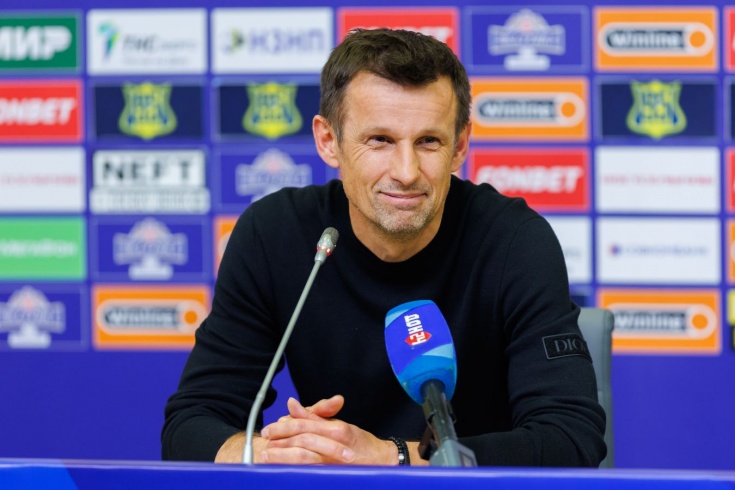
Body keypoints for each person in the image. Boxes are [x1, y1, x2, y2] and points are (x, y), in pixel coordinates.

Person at [162, 28, 606, 467]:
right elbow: (190, 425)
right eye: (380, 140)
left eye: (428, 141)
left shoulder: (514, 241)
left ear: (459, 147)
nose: (407, 172)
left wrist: (391, 457)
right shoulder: (275, 235)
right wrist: (281, 452)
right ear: (328, 141)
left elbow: (571, 441)